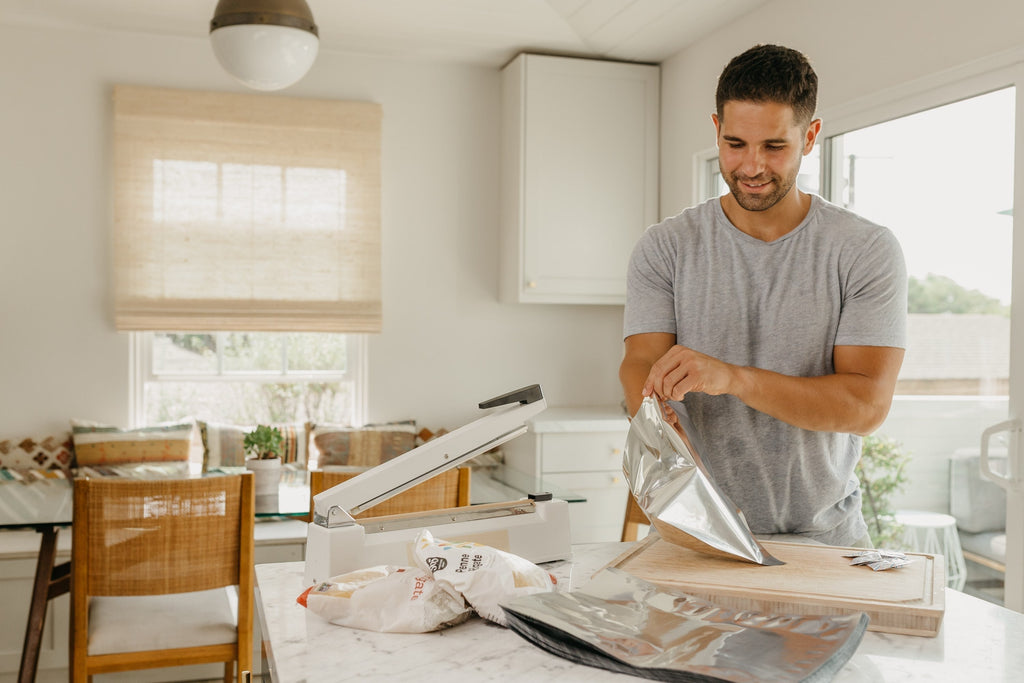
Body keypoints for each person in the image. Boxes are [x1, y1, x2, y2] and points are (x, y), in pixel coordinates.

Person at [619, 44, 907, 547]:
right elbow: (639, 361)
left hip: (825, 541)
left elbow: (866, 405)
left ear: (810, 136)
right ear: (716, 129)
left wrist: (732, 378)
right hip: (694, 534)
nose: (751, 167)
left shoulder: (864, 250)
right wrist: (653, 414)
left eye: (774, 146)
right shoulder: (665, 246)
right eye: (734, 144)